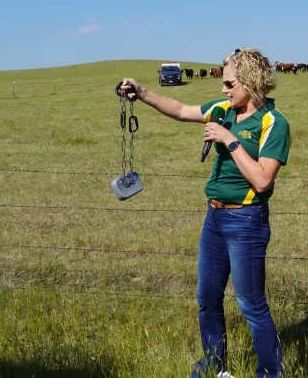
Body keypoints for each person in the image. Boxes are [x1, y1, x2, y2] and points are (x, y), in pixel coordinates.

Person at [120, 48, 290, 378]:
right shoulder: (223, 109)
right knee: (207, 299)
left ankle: (270, 373)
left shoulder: (274, 123)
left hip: (247, 221)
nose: (224, 90)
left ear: (250, 81)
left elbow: (262, 180)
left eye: (229, 84)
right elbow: (182, 110)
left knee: (251, 305)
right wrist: (141, 93)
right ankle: (213, 366)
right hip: (214, 218)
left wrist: (229, 139)